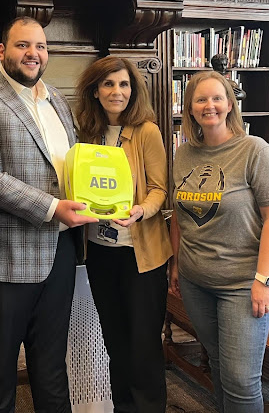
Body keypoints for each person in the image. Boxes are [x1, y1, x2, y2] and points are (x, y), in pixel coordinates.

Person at [0, 16, 98, 413]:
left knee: (51, 364)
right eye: (22, 45)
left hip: (60, 250)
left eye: (41, 46)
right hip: (3, 255)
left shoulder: (58, 102)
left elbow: (71, 167)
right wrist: (53, 208)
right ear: (2, 51)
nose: (34, 53)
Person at [169, 71, 269, 412]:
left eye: (217, 98)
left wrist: (265, 281)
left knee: (241, 380)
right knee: (220, 367)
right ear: (189, 108)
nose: (210, 106)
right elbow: (179, 213)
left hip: (242, 284)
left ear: (230, 104)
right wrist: (177, 264)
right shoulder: (185, 154)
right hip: (195, 282)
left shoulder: (254, 150)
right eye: (201, 99)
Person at [75, 56, 172, 413]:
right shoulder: (87, 133)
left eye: (124, 84)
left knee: (143, 346)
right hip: (101, 253)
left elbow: (161, 188)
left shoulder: (147, 131)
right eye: (109, 84)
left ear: (133, 91)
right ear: (95, 91)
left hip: (140, 255)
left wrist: (141, 209)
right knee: (114, 342)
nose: (117, 91)